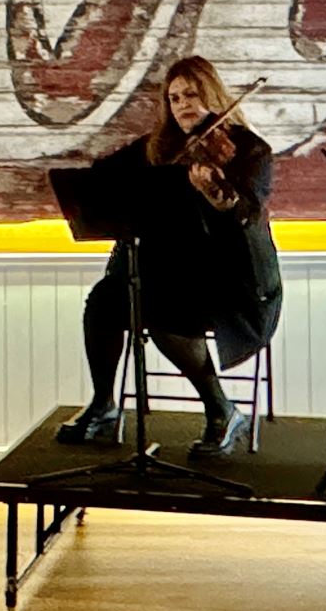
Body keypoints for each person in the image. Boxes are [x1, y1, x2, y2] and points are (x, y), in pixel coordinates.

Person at [55, 56, 284, 460]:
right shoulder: (159, 147)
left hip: (229, 279)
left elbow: (247, 212)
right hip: (168, 272)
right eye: (174, 98)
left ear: (212, 94)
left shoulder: (249, 150)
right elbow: (102, 176)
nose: (183, 105)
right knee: (104, 301)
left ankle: (221, 410)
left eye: (192, 95)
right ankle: (104, 404)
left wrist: (217, 194)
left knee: (163, 312)